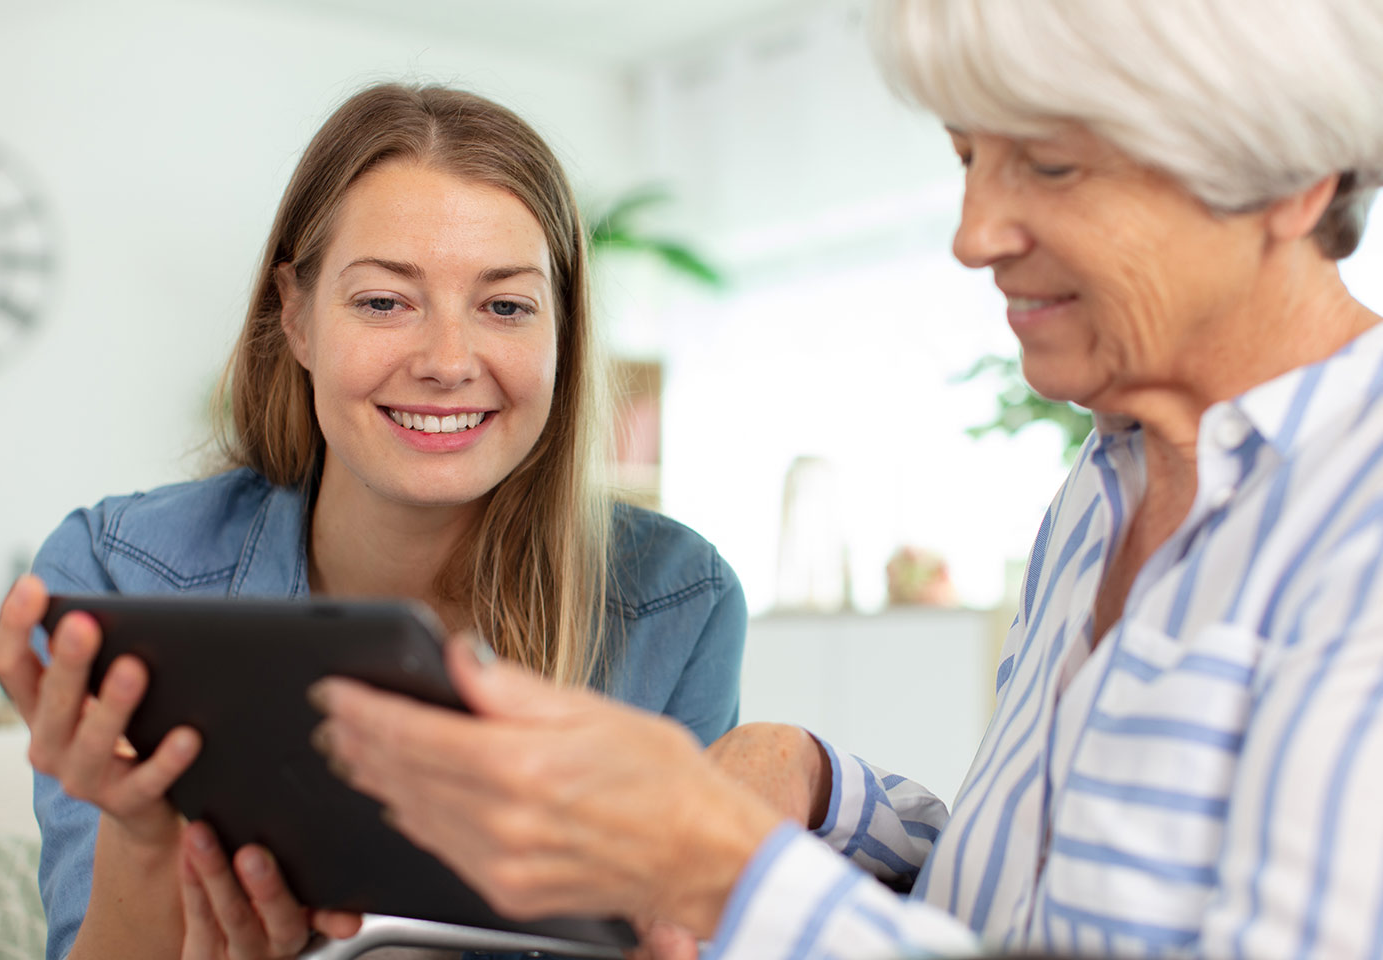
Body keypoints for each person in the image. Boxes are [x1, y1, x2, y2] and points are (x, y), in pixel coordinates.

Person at [294, 1, 1383, 957]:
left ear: (1290, 180)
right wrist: (820, 786)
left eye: (1049, 165)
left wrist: (728, 872)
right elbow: (1041, 911)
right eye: (967, 159)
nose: (973, 233)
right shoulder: (1108, 491)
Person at [0, 83, 747, 960]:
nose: (448, 362)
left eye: (505, 306)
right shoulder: (118, 573)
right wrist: (146, 839)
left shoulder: (677, 602)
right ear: (297, 315)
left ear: (563, 335)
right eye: (385, 302)